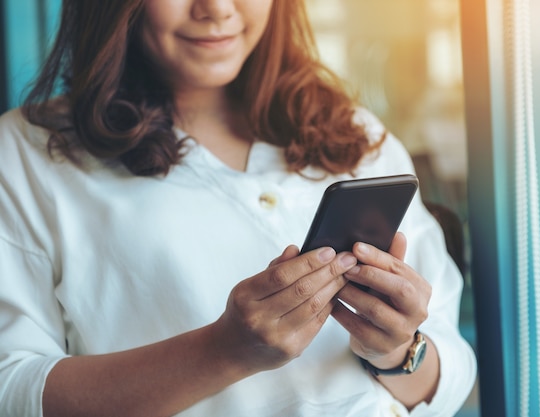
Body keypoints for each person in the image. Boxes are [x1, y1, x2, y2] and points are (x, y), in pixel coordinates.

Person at [0, 1, 476, 416]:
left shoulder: (354, 131)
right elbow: (12, 390)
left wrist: (396, 350)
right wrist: (223, 352)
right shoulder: (25, 155)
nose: (217, 8)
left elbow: (448, 377)